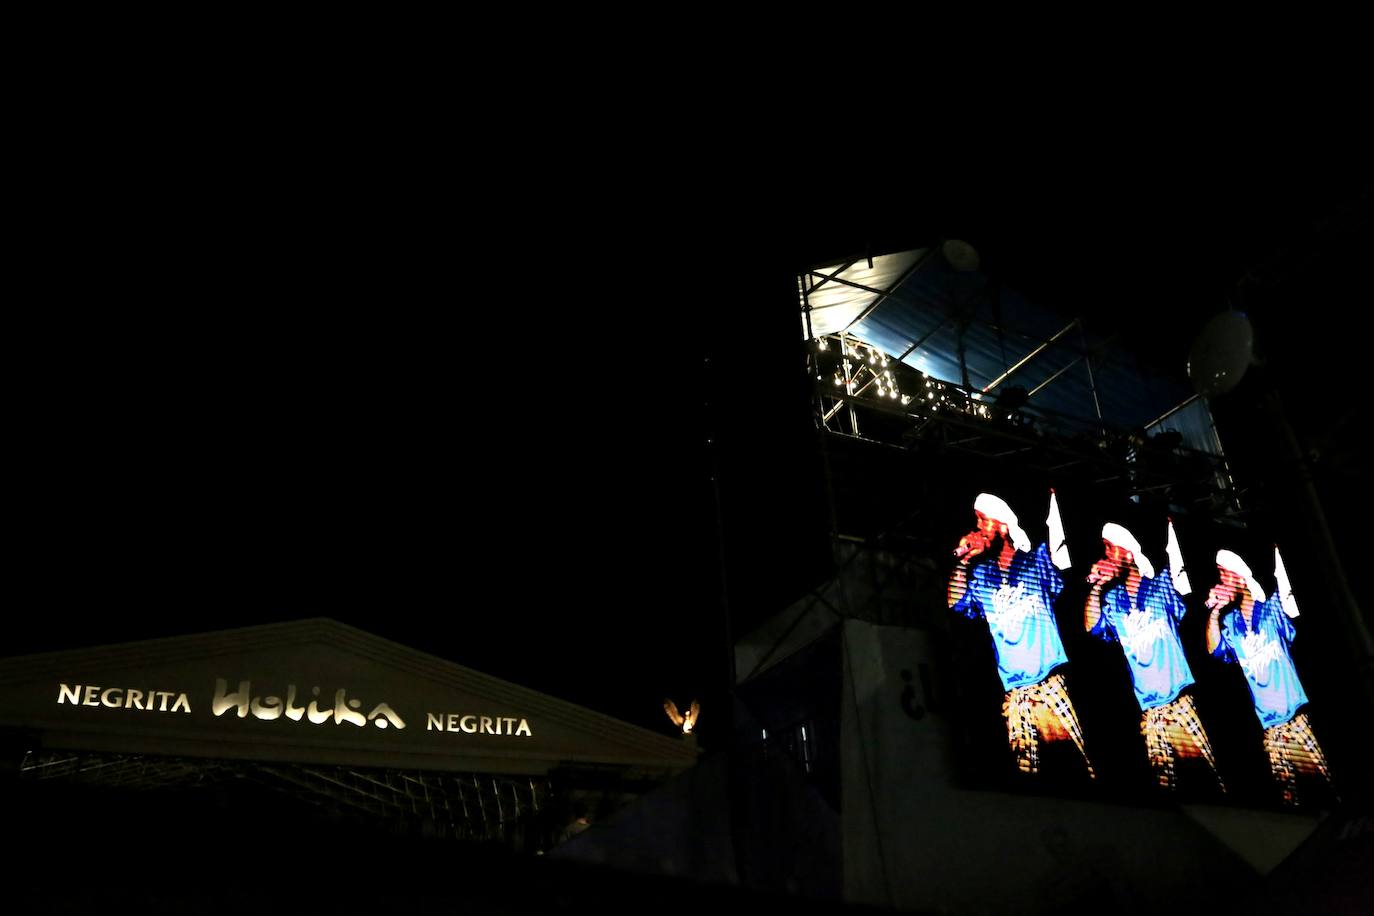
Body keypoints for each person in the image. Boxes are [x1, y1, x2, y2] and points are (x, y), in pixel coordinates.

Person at [948, 492, 1094, 778]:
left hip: (1050, 683)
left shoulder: (1036, 559)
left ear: (1003, 526)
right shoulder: (982, 576)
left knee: (1078, 768)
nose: (977, 528)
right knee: (1029, 777)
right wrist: (963, 562)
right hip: (1015, 694)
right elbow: (955, 603)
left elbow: (1063, 583)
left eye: (983, 520)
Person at [1085, 521, 1223, 792]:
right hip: (1149, 710)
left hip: (1180, 700)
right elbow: (1093, 628)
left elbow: (1188, 611)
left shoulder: (1160, 585)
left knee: (1207, 777)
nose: (1105, 557)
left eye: (1110, 549)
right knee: (1166, 788)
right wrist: (1096, 589)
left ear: (1128, 553)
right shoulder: (1113, 599)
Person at [1206, 548, 1334, 806]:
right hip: (1270, 730)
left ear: (1241, 578)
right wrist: (1215, 613)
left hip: (1297, 719)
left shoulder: (1272, 608)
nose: (1220, 582)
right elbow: (1214, 650)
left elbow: (1294, 615)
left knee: (1325, 789)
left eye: (1224, 575)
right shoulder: (1230, 622)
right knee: (1292, 802)